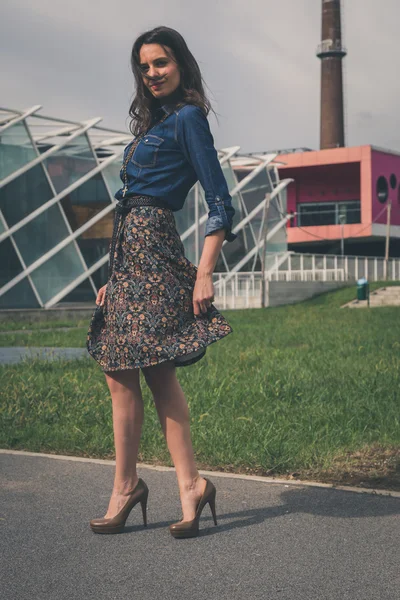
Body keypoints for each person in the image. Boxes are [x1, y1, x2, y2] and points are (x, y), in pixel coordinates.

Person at [86, 25, 237, 539]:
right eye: (145, 66)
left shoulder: (190, 119)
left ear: (181, 65)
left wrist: (204, 270)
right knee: (119, 374)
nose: (152, 73)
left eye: (161, 63)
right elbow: (130, 208)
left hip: (156, 253)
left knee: (155, 373)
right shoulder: (155, 124)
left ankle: (188, 486)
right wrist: (114, 277)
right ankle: (127, 486)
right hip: (129, 257)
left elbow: (220, 201)